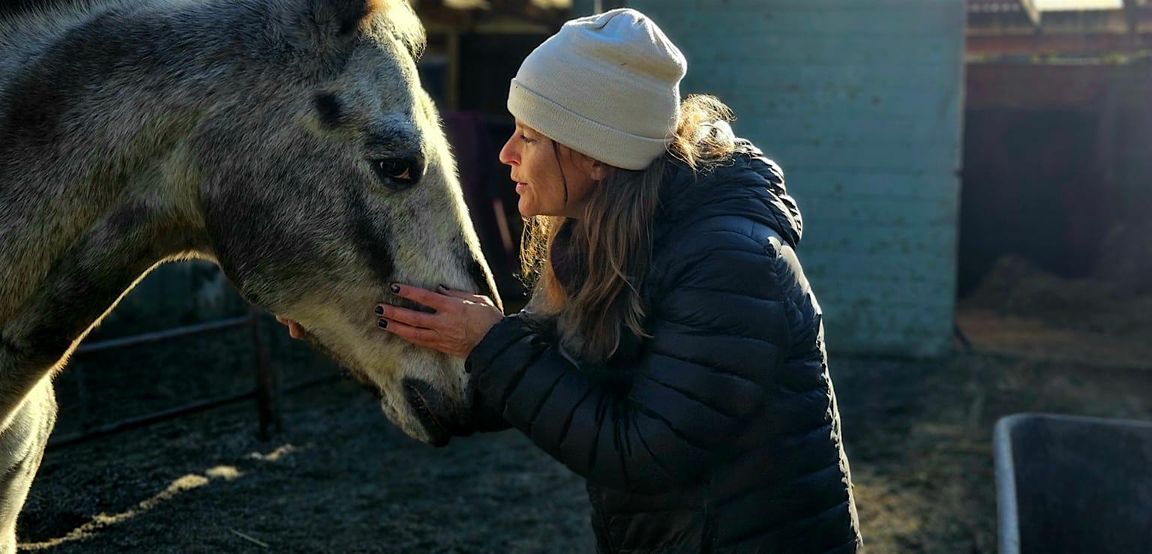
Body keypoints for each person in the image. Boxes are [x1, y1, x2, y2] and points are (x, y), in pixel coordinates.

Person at [295, 8, 862, 552]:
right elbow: (527, 392)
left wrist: (490, 343)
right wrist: (355, 330)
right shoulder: (600, 240)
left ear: (596, 156)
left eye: (531, 137)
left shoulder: (731, 264)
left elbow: (644, 454)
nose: (506, 153)